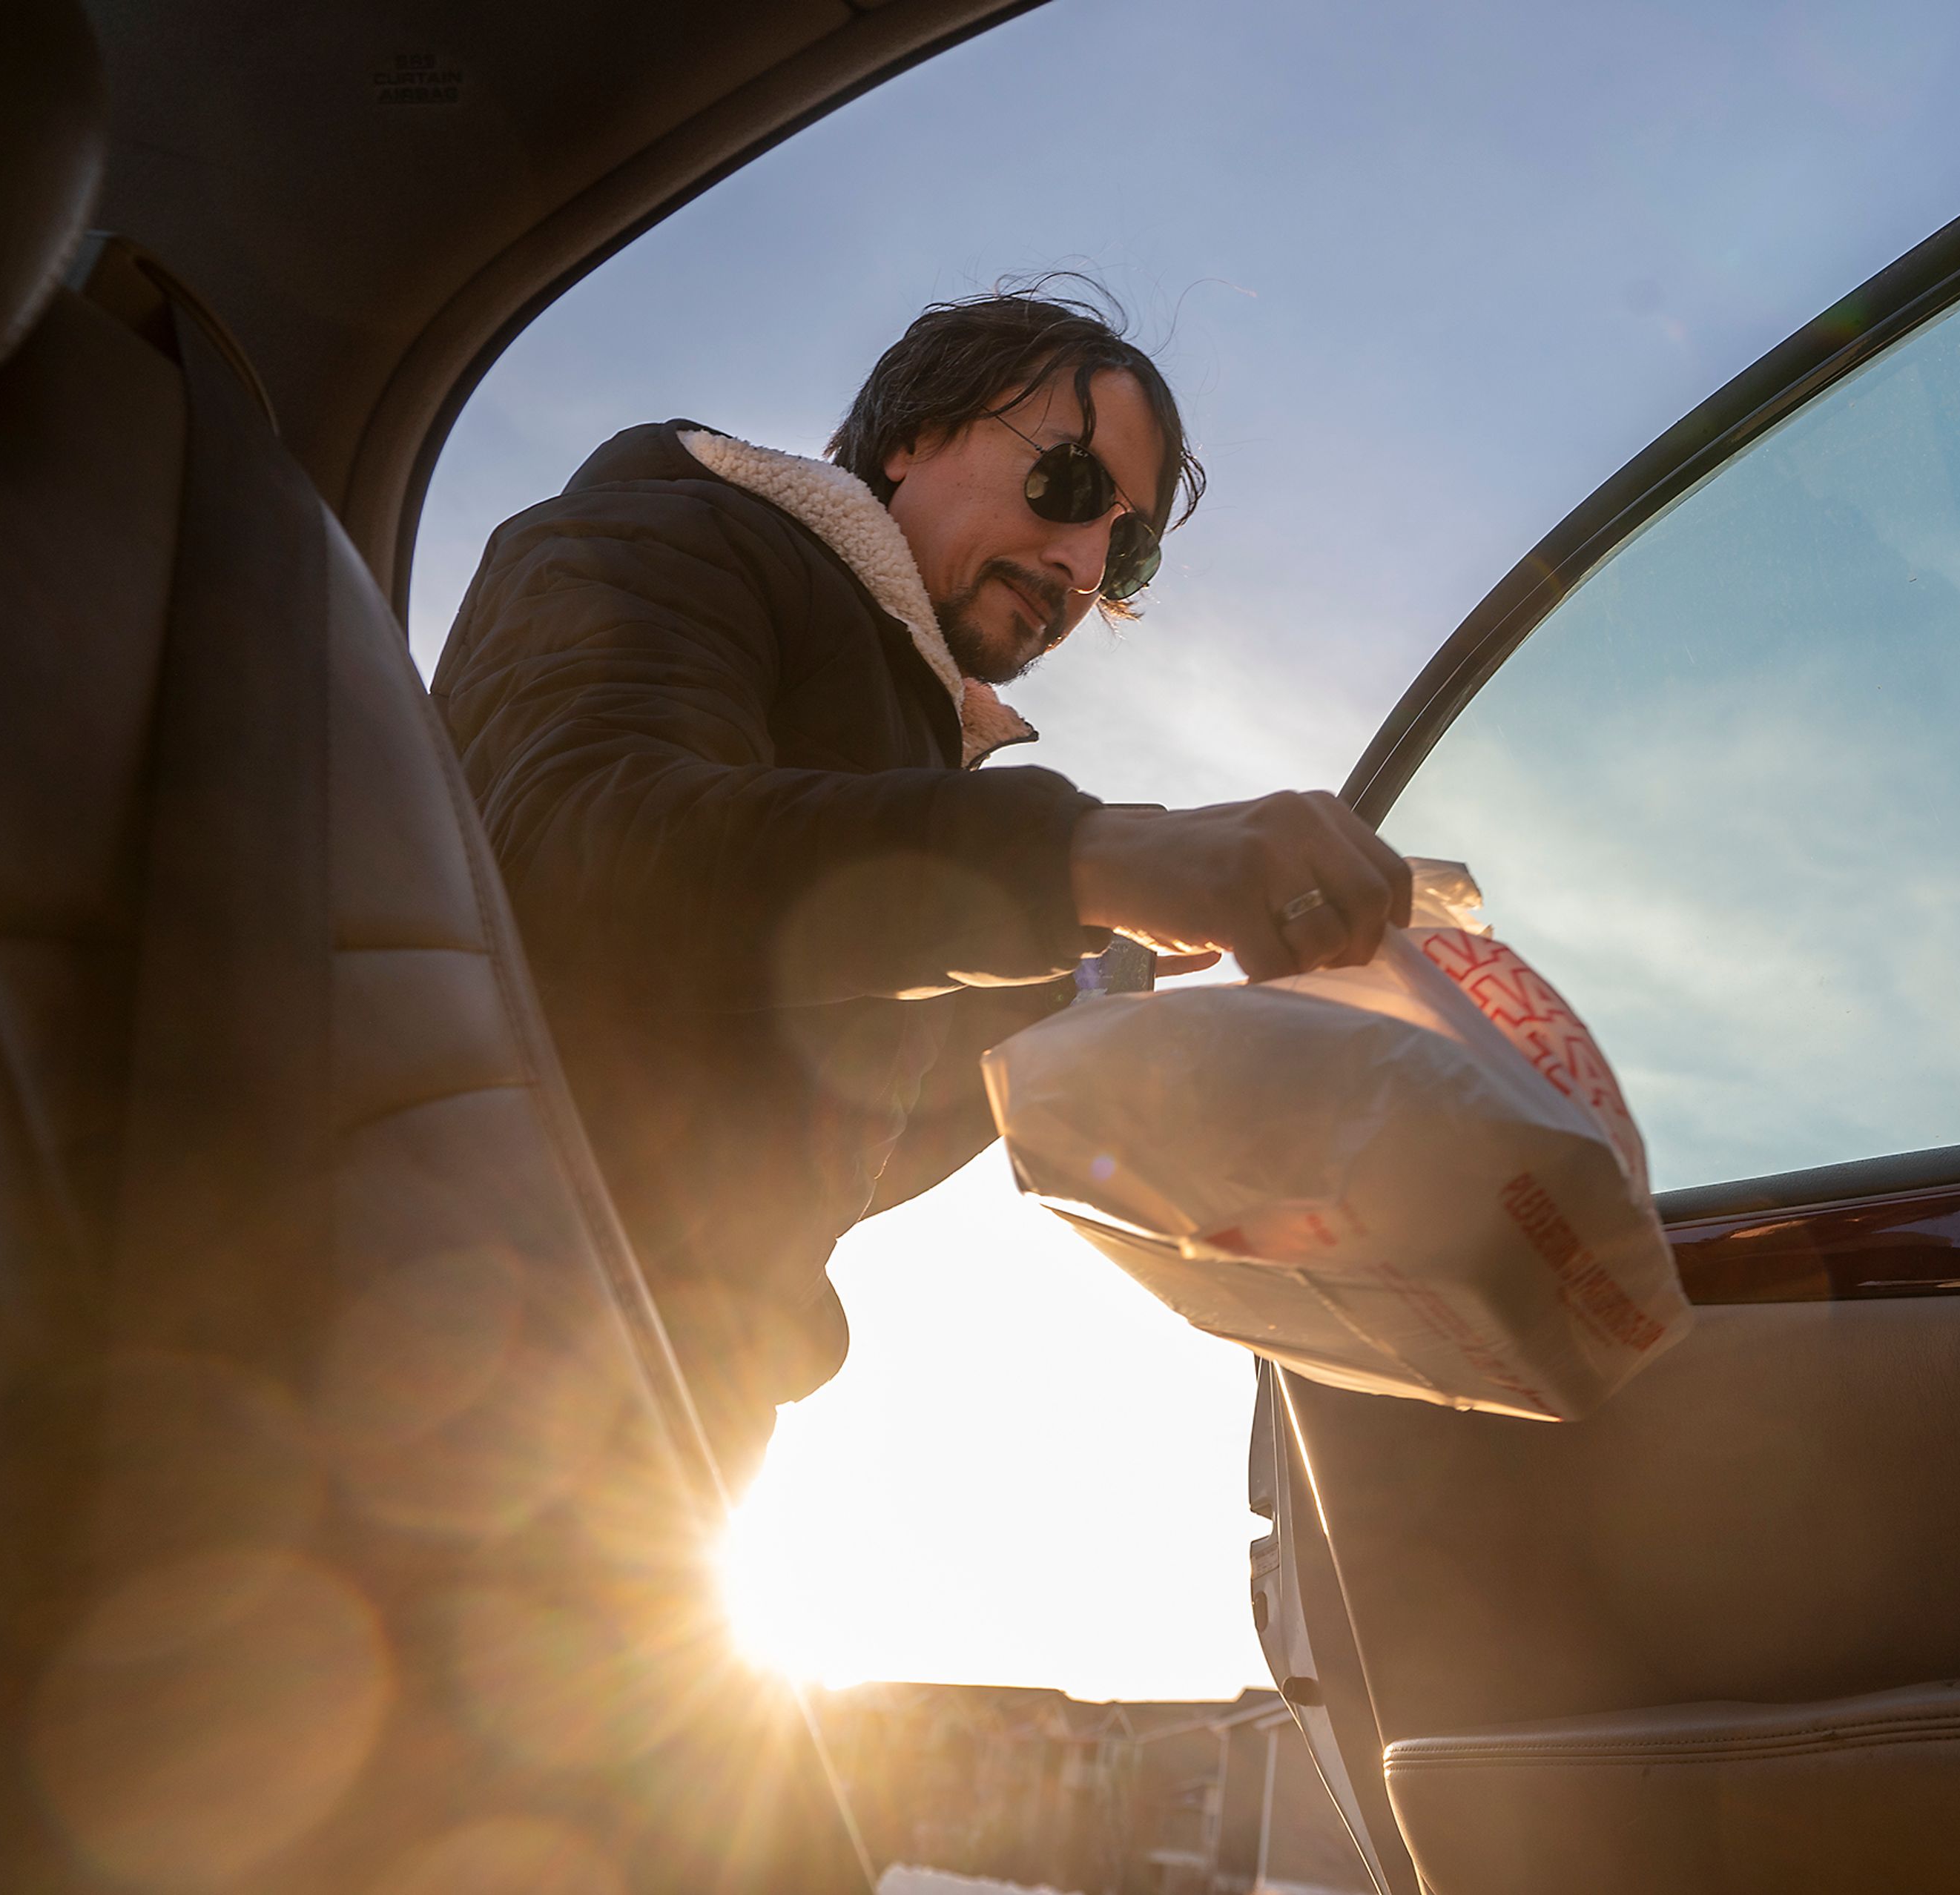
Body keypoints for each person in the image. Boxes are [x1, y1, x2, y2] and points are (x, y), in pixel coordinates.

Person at [433, 286, 1409, 1481]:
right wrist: (1094, 854)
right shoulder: (662, 537)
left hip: (673, 1414)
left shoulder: (891, 745)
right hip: (459, 1372)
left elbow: (833, 1106)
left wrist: (1116, 1008)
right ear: (913, 437)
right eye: (1068, 486)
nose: (1083, 561)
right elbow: (576, 849)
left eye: (1130, 545)